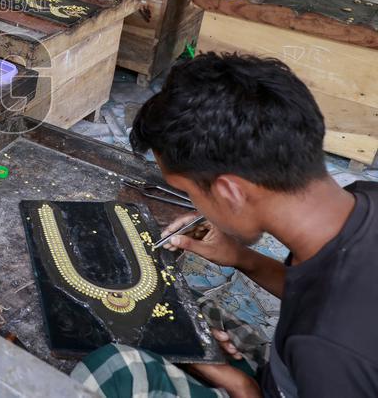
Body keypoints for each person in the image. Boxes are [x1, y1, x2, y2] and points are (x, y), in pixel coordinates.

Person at [73, 53, 378, 397]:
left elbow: (326, 327)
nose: (195, 205)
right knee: (184, 317)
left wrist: (241, 385)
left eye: (188, 192)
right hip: (293, 370)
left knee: (115, 369)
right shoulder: (361, 201)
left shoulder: (327, 350)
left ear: (230, 192)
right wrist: (240, 256)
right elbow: (314, 290)